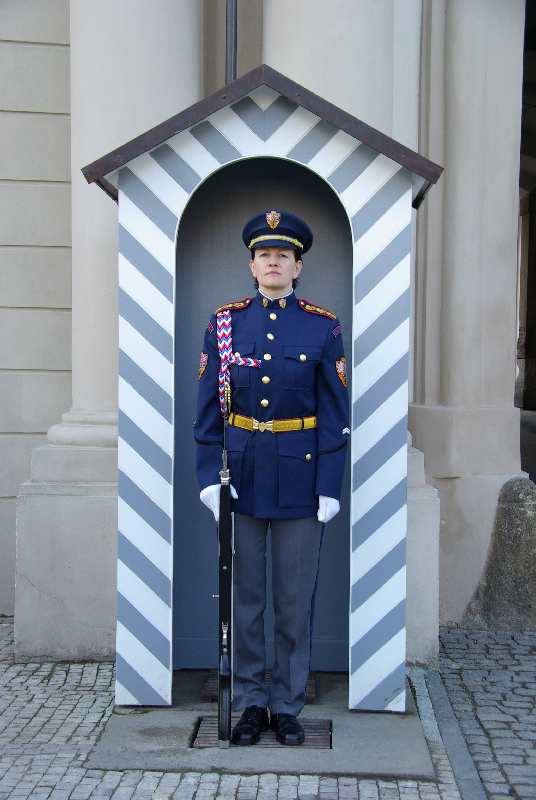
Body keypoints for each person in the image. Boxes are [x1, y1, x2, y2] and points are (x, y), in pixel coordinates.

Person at [193, 210, 350, 746]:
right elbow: (207, 410)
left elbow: (334, 412)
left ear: (298, 267)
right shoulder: (225, 324)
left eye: (284, 255)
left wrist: (329, 484)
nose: (274, 262)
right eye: (265, 254)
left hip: (301, 480)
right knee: (245, 599)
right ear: (252, 265)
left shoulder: (322, 326)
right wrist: (207, 478)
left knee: (293, 599)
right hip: (240, 476)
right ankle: (250, 703)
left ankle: (287, 704)